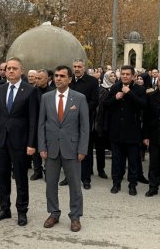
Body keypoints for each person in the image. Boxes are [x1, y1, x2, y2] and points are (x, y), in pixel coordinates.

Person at [0, 57, 38, 226]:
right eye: (8, 68)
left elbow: (33, 120)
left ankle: (22, 211)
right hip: (2, 140)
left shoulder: (30, 90)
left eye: (14, 68)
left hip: (21, 141)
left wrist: (32, 144)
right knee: (2, 176)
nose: (10, 71)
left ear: (21, 71)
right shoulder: (0, 89)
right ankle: (4, 209)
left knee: (20, 177)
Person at [38, 65, 89, 232]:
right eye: (56, 76)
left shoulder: (79, 98)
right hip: (51, 148)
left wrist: (82, 149)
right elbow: (41, 125)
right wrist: (42, 146)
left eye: (62, 76)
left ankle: (75, 217)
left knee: (75, 185)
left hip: (72, 149)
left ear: (69, 79)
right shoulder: (46, 98)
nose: (58, 78)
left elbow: (84, 126)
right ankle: (54, 213)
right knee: (50, 184)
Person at [104, 66, 147, 196]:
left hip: (132, 131)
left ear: (133, 76)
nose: (125, 76)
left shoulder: (140, 89)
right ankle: (116, 183)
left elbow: (143, 105)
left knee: (133, 160)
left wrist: (129, 93)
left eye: (128, 74)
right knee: (117, 160)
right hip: (116, 131)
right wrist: (115, 98)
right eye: (123, 74)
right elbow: (105, 105)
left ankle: (132, 184)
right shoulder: (115, 87)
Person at [69, 59, 101, 189]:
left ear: (84, 68)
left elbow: (94, 101)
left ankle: (85, 179)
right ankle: (70, 177)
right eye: (75, 66)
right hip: (68, 121)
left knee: (85, 150)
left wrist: (80, 110)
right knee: (70, 150)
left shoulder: (92, 81)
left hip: (84, 121)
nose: (77, 69)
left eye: (79, 67)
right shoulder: (69, 80)